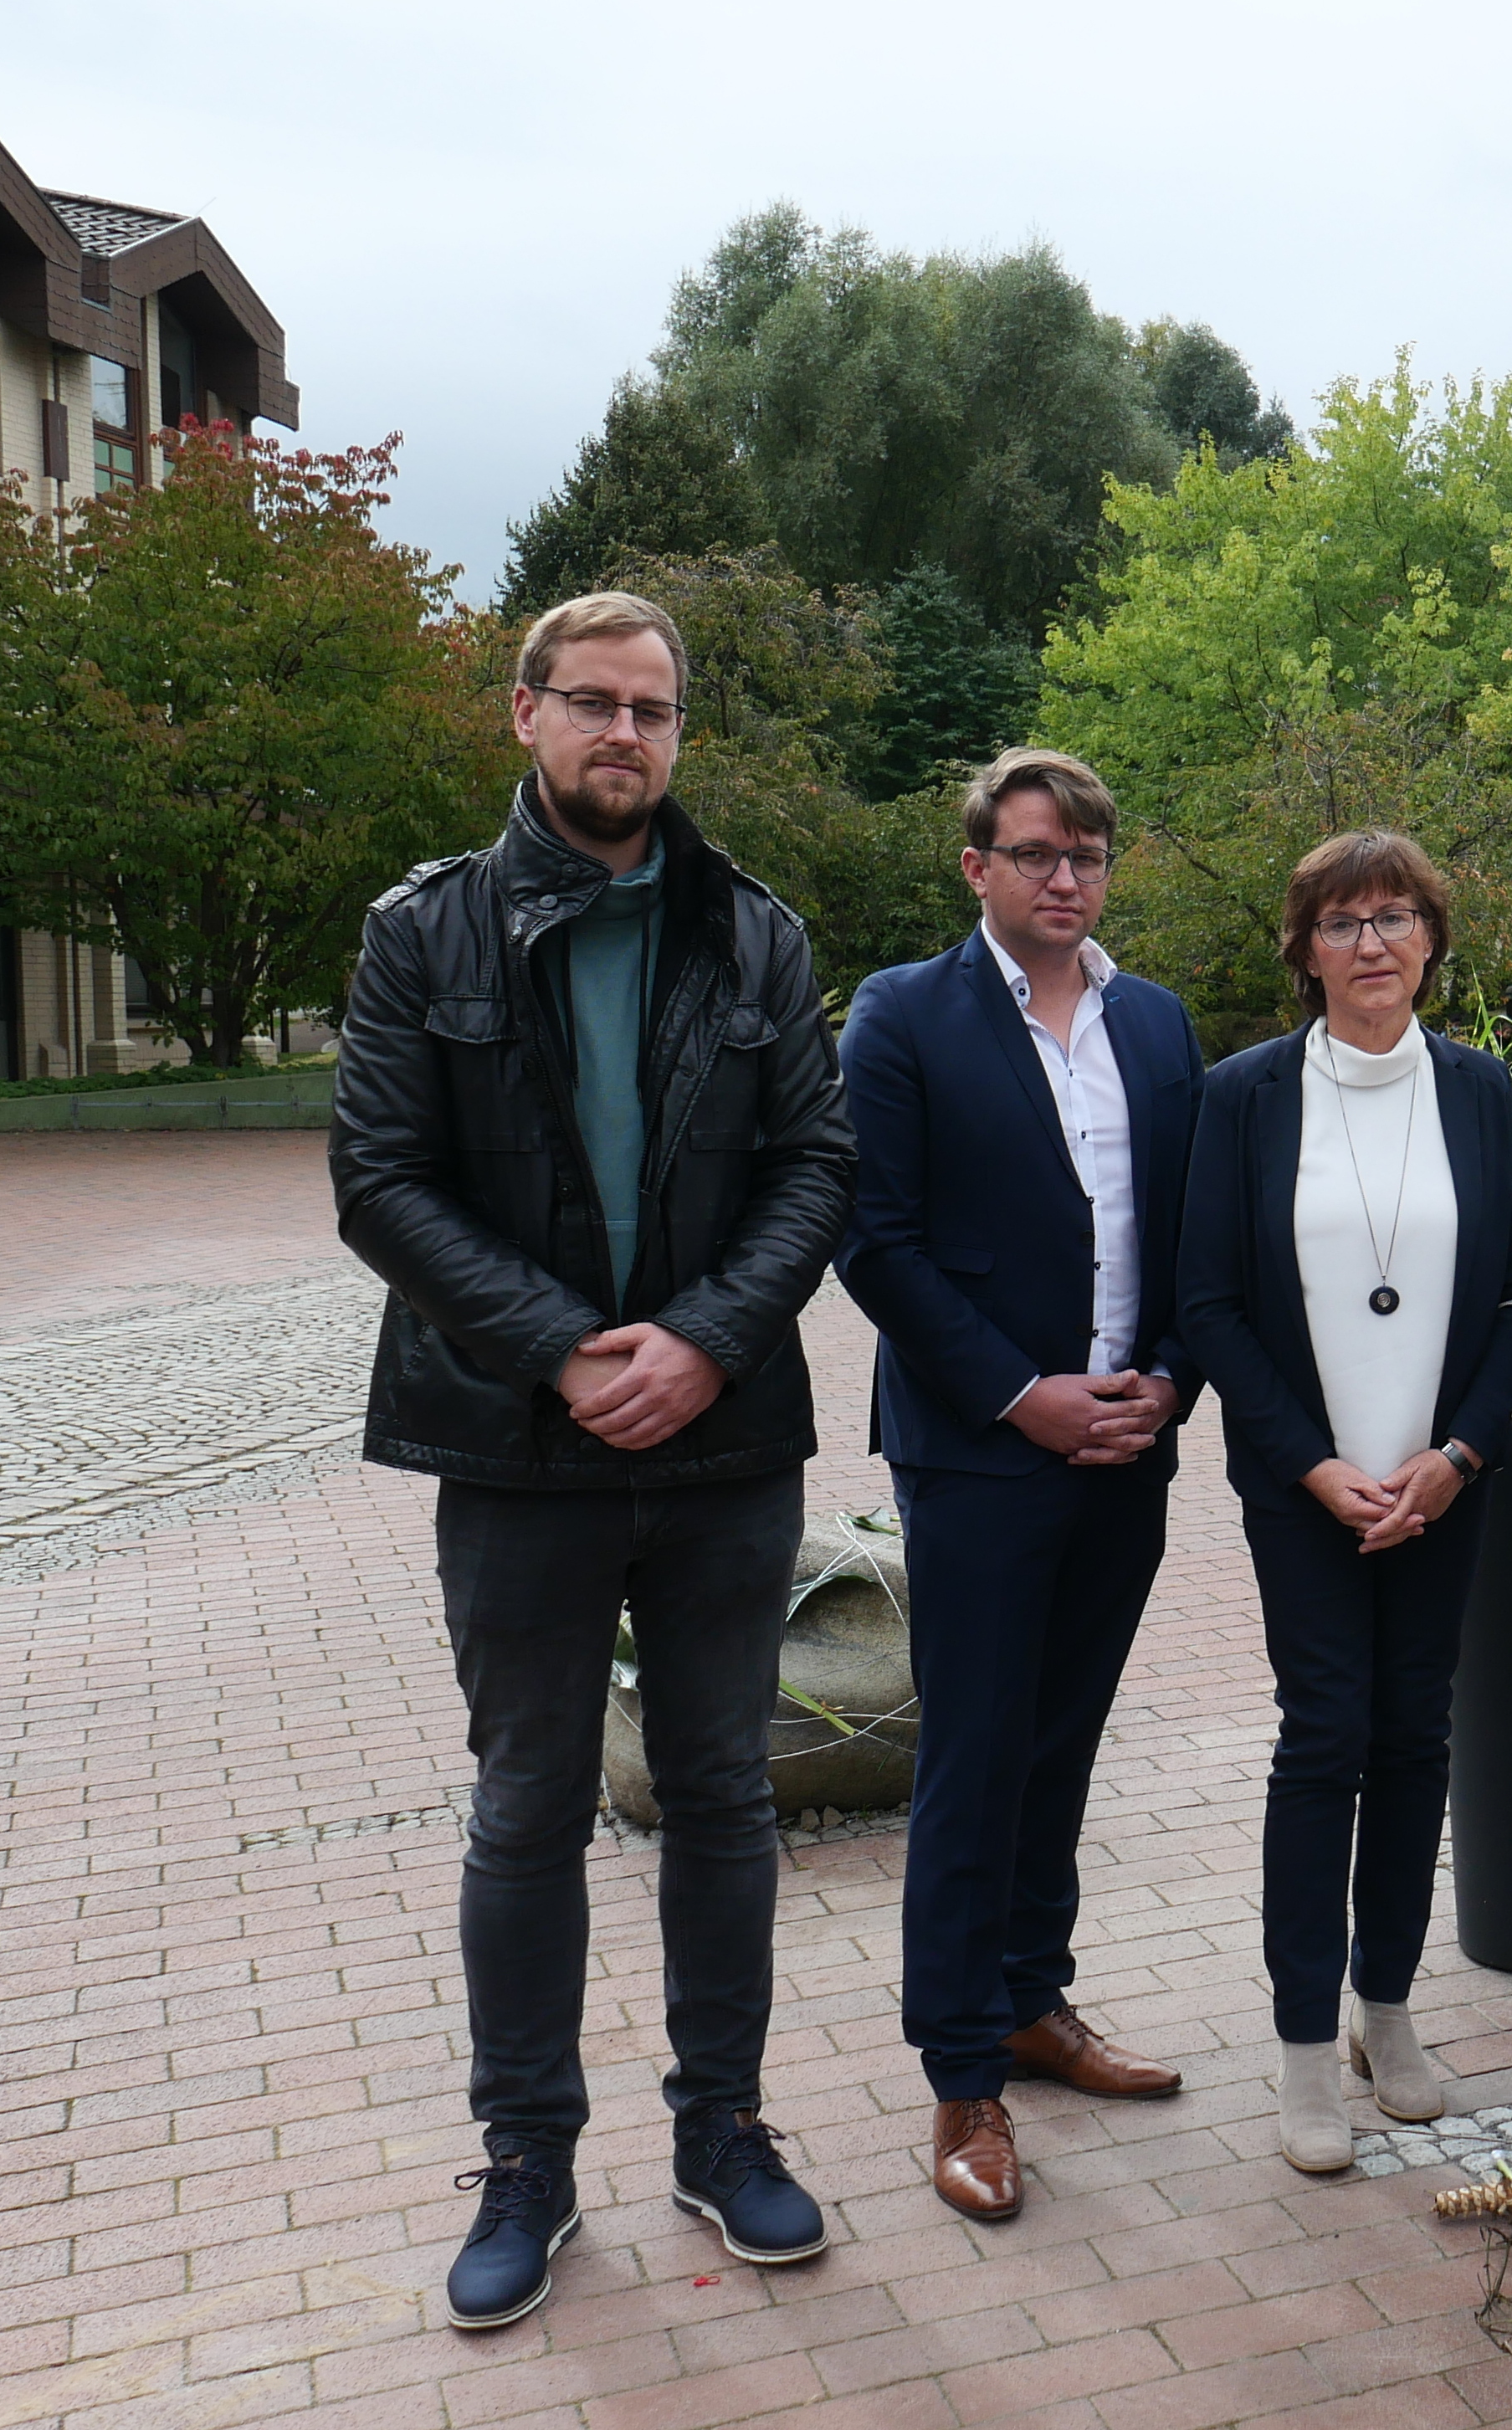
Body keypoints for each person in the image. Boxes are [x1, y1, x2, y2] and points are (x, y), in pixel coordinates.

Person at [331, 590, 859, 2330]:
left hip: (720, 1451)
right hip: (512, 1443)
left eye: (652, 709)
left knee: (720, 1795)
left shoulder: (756, 940)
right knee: (526, 1807)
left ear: (679, 734)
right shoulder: (427, 934)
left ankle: (721, 2129)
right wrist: (561, 1348)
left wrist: (704, 1341)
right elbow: (381, 1183)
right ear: (525, 716)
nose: (623, 733)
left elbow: (816, 1169)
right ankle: (526, 2163)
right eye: (591, 704)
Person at [833, 746, 1204, 2223]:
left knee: (1063, 1739)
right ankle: (960, 2067)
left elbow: (1196, 1229)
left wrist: (1167, 1375)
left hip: (1130, 1442)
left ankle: (1034, 2003)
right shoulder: (903, 1015)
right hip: (983, 1448)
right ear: (976, 864)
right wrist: (1022, 1393)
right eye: (1039, 850)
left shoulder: (1157, 1023)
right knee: (974, 1758)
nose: (1067, 875)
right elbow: (878, 1239)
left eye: (1090, 853)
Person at [1176, 832, 1512, 2175]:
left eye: (1396, 918)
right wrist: (1314, 1465)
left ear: (1434, 942)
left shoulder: (1481, 1091)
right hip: (1303, 1484)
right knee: (1324, 1735)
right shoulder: (1243, 1097)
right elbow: (1207, 1305)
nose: (1373, 943)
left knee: (1415, 1738)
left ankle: (1388, 2016)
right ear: (1304, 948)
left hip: (1444, 1485)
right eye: (1343, 922)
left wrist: (1459, 1454)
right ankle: (1297, 2048)